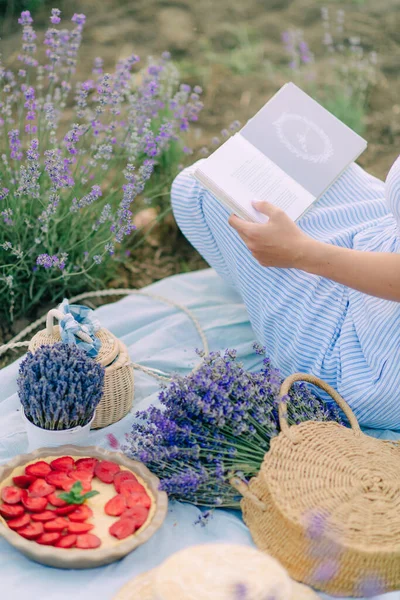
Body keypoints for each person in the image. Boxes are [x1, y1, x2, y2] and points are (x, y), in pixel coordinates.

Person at [171, 154, 400, 430]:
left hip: (370, 361)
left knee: (200, 187)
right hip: (385, 239)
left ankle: (262, 280)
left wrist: (299, 253)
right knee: (302, 164)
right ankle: (261, 278)